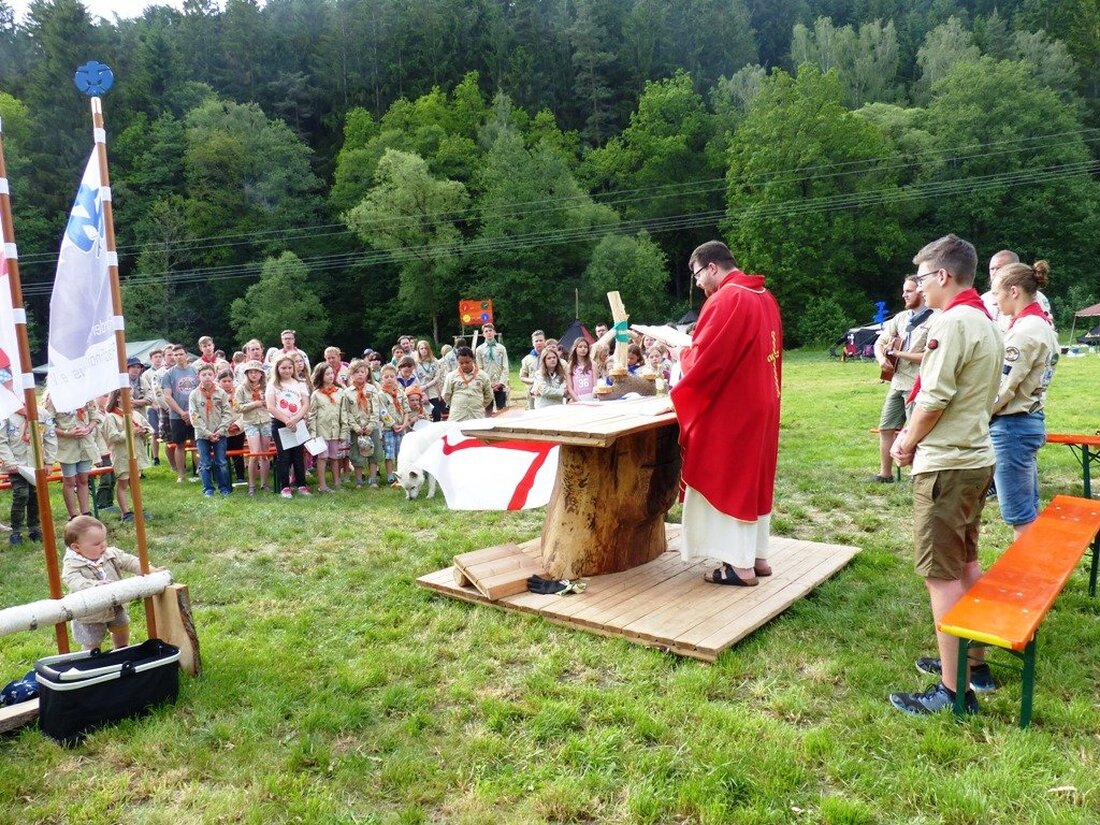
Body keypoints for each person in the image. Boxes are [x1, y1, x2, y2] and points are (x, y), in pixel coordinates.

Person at [888, 233, 1002, 716]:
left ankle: (955, 695)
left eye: (923, 274)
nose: (918, 283)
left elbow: (934, 398)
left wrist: (905, 440)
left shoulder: (953, 322)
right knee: (967, 561)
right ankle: (973, 665)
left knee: (941, 573)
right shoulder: (985, 319)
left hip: (948, 463)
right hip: (974, 456)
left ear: (943, 276)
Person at [671, 240, 783, 588]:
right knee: (753, 479)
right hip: (762, 400)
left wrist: (680, 352)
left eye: (698, 276)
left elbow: (705, 360)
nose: (699, 284)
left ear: (712, 267)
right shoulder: (764, 296)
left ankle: (738, 567)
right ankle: (757, 556)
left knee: (728, 478)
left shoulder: (727, 299)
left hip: (733, 407)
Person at [989, 260, 1059, 538]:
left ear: (1014, 291)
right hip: (1028, 419)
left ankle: (1028, 579)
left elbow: (1004, 387)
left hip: (1012, 426)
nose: (995, 301)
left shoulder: (1024, 331)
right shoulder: (1042, 324)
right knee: (1028, 508)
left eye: (997, 294)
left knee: (1020, 516)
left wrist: (979, 413)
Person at [871, 276, 935, 483]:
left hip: (918, 385)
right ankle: (885, 474)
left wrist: (899, 354)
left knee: (917, 431)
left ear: (921, 292)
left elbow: (930, 355)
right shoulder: (900, 318)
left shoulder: (935, 319)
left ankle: (918, 474)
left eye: (908, 291)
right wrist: (882, 359)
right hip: (897, 383)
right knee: (886, 427)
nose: (904, 295)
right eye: (904, 291)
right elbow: (880, 343)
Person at [61, 516, 159, 650]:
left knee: (121, 629)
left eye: (104, 540)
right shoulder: (72, 564)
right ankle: (92, 659)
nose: (103, 545)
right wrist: (94, 586)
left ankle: (122, 648)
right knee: (91, 640)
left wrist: (149, 570)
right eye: (96, 544)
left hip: (115, 605)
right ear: (76, 547)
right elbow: (74, 581)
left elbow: (129, 561)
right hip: (89, 613)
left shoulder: (109, 553)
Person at [44, 392, 100, 519]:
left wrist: (88, 428)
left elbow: (94, 417)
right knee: (69, 481)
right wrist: (66, 433)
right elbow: (48, 424)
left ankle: (85, 513)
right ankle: (73, 514)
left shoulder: (85, 394)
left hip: (85, 444)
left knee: (83, 479)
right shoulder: (54, 398)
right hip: (67, 447)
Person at [102, 389, 154, 521]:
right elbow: (113, 436)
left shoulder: (135, 414)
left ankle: (137, 508)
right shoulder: (111, 417)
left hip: (137, 453)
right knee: (123, 483)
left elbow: (150, 428)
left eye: (132, 396)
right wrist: (131, 432)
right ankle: (125, 513)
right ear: (118, 398)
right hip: (122, 455)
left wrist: (145, 431)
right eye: (127, 396)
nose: (131, 399)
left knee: (135, 482)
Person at [267, 355, 311, 499]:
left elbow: (305, 404)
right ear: (277, 369)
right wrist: (286, 420)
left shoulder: (300, 383)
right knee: (284, 456)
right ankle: (285, 487)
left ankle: (301, 485)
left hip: (298, 423)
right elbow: (271, 407)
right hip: (280, 423)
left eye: (289, 367)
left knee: (298, 455)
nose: (287, 370)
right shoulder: (273, 384)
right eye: (283, 368)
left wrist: (296, 419)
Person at [188, 363, 233, 498]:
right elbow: (194, 416)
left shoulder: (221, 393)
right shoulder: (194, 394)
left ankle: (224, 488)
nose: (207, 377)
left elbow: (227, 413)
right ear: (198, 377)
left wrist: (220, 430)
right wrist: (207, 433)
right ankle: (208, 489)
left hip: (220, 433)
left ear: (214, 376)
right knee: (205, 463)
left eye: (210, 374)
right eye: (204, 375)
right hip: (202, 434)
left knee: (221, 462)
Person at [0, 401, 41, 545]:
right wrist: (10, 461)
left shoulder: (38, 413)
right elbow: (2, 441)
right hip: (16, 464)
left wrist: (47, 461)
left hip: (35, 463)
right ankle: (16, 531)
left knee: (34, 495)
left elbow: (48, 435)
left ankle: (34, 528)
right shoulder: (6, 416)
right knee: (21, 494)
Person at [981, 250, 1053, 329]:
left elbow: (1044, 327)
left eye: (998, 268)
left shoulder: (1034, 297)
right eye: (992, 269)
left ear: (1014, 268)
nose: (994, 273)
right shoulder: (984, 299)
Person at [341, 359, 383, 488]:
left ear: (366, 373)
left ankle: (373, 480)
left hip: (372, 428)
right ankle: (359, 481)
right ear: (351, 374)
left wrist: (371, 425)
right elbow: (346, 412)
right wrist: (356, 427)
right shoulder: (347, 393)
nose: (360, 374)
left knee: (374, 453)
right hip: (357, 429)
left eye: (362, 372)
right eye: (357, 372)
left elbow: (376, 408)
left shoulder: (372, 389)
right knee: (356, 455)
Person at [161, 345, 199, 484]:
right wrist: (182, 412)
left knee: (197, 443)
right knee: (179, 444)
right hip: (176, 415)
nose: (177, 357)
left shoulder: (195, 370)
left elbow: (200, 392)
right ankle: (181, 475)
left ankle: (200, 471)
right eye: (174, 355)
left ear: (186, 355)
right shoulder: (168, 374)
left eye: (180, 354)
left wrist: (191, 412)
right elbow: (167, 396)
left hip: (195, 413)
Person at [234, 360, 272, 495]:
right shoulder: (241, 389)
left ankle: (264, 484)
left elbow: (274, 404)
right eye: (251, 372)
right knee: (254, 454)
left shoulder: (267, 387)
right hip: (250, 422)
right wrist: (255, 404)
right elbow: (237, 407)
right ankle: (251, 485)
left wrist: (268, 404)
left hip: (266, 421)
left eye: (257, 372)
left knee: (265, 454)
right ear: (247, 374)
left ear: (261, 374)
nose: (254, 374)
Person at [308, 362, 344, 492]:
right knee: (322, 457)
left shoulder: (340, 392)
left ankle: (337, 482)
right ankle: (322, 485)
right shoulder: (316, 394)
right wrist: (313, 434)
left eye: (332, 373)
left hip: (335, 430)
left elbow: (343, 412)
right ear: (320, 376)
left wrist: (343, 431)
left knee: (335, 457)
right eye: (327, 374)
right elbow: (312, 415)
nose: (330, 376)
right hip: (321, 431)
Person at [443, 346, 493, 422]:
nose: (464, 365)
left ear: (473, 360)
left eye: (467, 362)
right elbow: (446, 395)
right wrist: (457, 405)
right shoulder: (451, 376)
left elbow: (488, 395)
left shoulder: (483, 376)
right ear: (457, 361)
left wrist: (477, 404)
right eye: (461, 363)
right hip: (457, 416)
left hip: (476, 416)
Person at [378, 364, 409, 483]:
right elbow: (383, 412)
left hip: (402, 427)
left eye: (392, 376)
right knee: (389, 453)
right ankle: (390, 475)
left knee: (400, 453)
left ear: (396, 377)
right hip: (388, 429)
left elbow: (406, 410)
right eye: (386, 377)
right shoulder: (381, 394)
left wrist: (404, 424)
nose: (389, 379)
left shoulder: (401, 393)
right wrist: (393, 425)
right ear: (382, 379)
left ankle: (400, 473)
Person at [219, 370, 247, 485]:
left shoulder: (239, 393)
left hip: (238, 430)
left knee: (238, 453)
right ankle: (225, 477)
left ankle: (240, 476)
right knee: (223, 454)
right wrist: (226, 426)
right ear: (219, 382)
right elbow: (215, 414)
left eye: (229, 381)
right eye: (224, 381)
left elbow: (245, 412)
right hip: (223, 430)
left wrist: (238, 425)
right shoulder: (216, 394)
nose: (227, 383)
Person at [475, 323, 509, 413]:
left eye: (490, 331)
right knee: (488, 409)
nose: (489, 333)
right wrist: (487, 384)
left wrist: (501, 383)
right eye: (486, 331)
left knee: (502, 409)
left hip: (499, 383)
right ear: (483, 334)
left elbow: (505, 367)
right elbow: (479, 368)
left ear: (494, 332)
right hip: (487, 384)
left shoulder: (501, 348)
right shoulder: (479, 349)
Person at [414, 340, 445, 422]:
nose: (424, 350)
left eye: (426, 348)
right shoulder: (416, 363)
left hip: (433, 389)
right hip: (420, 389)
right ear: (418, 350)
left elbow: (437, 376)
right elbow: (414, 377)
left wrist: (427, 386)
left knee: (436, 412)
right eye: (421, 348)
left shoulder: (434, 361)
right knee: (423, 413)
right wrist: (421, 388)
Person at [519, 330, 546, 409]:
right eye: (536, 341)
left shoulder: (550, 356)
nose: (539, 343)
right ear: (533, 343)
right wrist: (534, 381)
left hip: (547, 391)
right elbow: (522, 377)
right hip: (532, 392)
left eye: (541, 340)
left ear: (545, 341)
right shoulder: (527, 359)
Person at [567, 338, 595, 402]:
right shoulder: (570, 366)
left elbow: (595, 385)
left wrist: (592, 398)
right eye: (580, 347)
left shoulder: (593, 364)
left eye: (585, 347)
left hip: (591, 397)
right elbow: (570, 388)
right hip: (577, 398)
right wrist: (578, 401)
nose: (583, 349)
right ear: (575, 349)